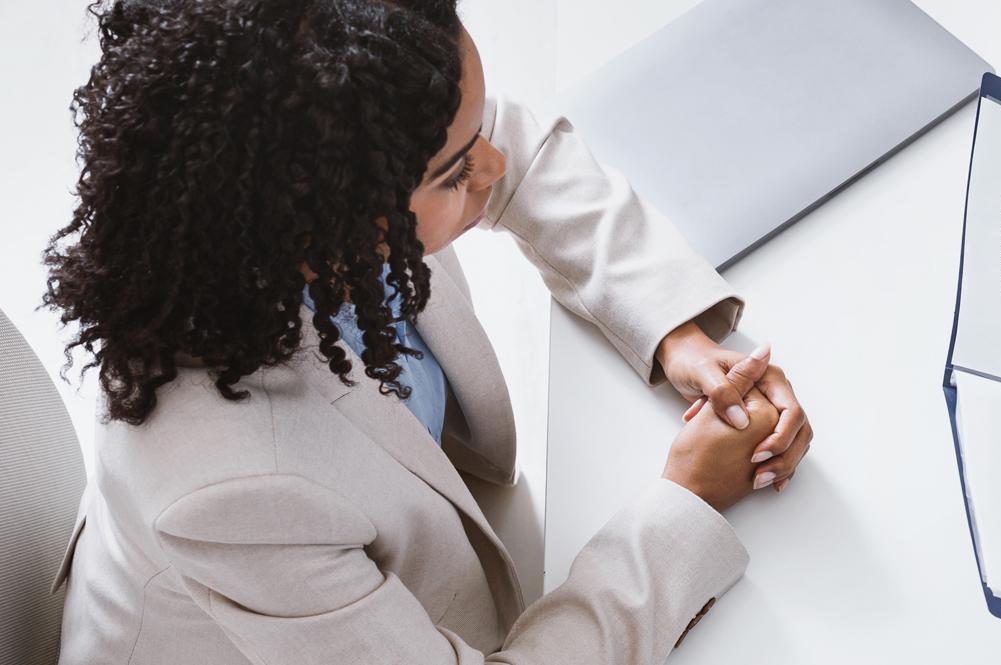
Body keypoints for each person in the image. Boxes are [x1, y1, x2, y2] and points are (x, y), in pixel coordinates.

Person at [47, 0, 813, 662]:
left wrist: (674, 332)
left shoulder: (350, 135)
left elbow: (513, 146)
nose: (494, 162)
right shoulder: (231, 491)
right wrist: (686, 501)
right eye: (453, 174)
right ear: (317, 216)